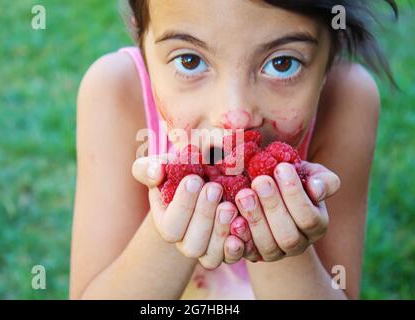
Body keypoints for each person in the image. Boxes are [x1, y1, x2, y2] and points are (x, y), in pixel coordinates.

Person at [69, 0, 397, 299]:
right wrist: (168, 228)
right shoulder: (115, 93)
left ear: (330, 56)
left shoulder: (348, 100)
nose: (235, 116)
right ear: (141, 37)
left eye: (283, 63)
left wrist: (283, 245)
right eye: (190, 60)